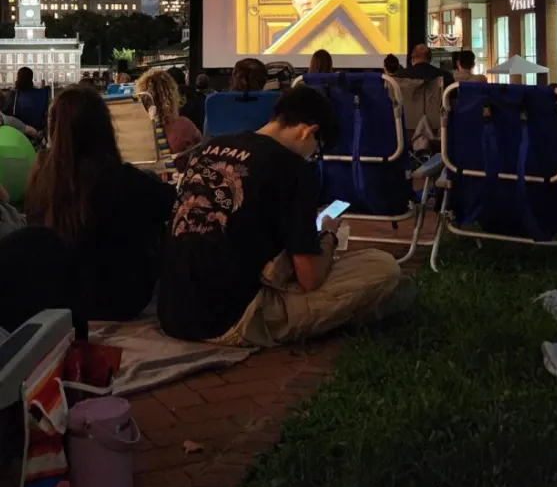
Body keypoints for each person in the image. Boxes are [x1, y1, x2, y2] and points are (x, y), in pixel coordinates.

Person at [158, 86, 415, 345]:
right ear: (309, 131)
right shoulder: (294, 169)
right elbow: (310, 277)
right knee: (383, 268)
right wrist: (328, 233)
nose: (312, 156)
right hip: (231, 319)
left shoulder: (210, 147)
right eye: (316, 149)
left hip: (172, 312)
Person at [20, 85, 175, 325]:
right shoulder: (123, 180)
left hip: (64, 300)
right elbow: (172, 204)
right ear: (103, 128)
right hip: (121, 300)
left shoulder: (40, 179)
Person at [135, 69, 201, 166]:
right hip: (172, 179)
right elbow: (201, 148)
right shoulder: (183, 125)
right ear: (172, 96)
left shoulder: (134, 132)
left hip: (140, 178)